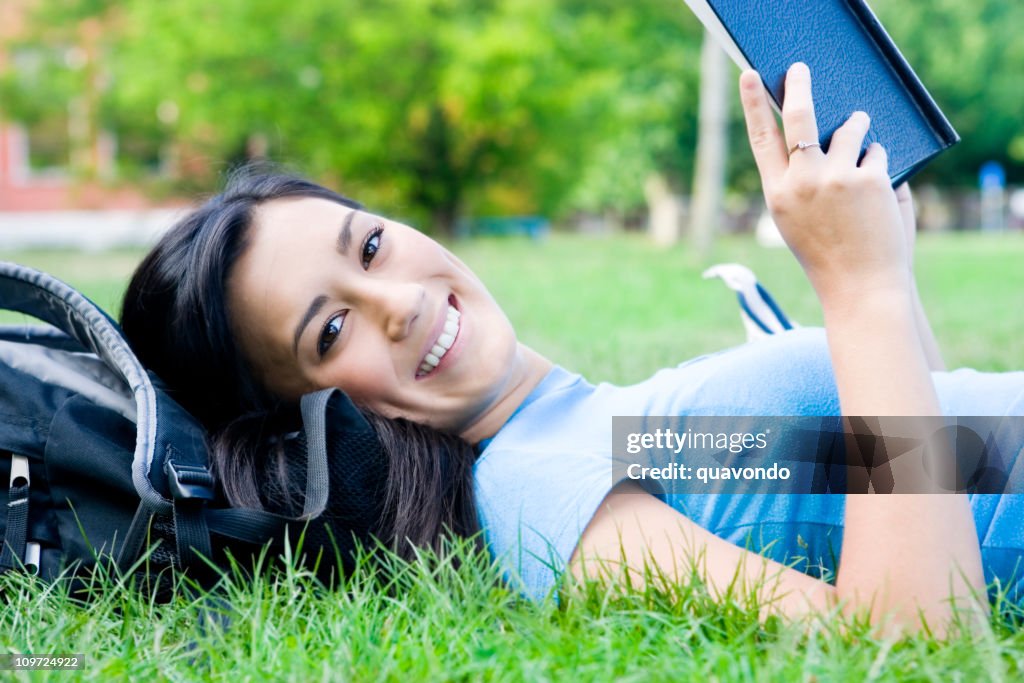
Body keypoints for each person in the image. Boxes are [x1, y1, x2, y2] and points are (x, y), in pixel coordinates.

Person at [120, 65, 1024, 634]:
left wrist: (884, 270)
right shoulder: (536, 492)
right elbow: (914, 638)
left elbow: (933, 450)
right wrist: (855, 291)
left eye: (369, 245)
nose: (395, 302)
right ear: (307, 421)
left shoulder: (585, 425)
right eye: (329, 329)